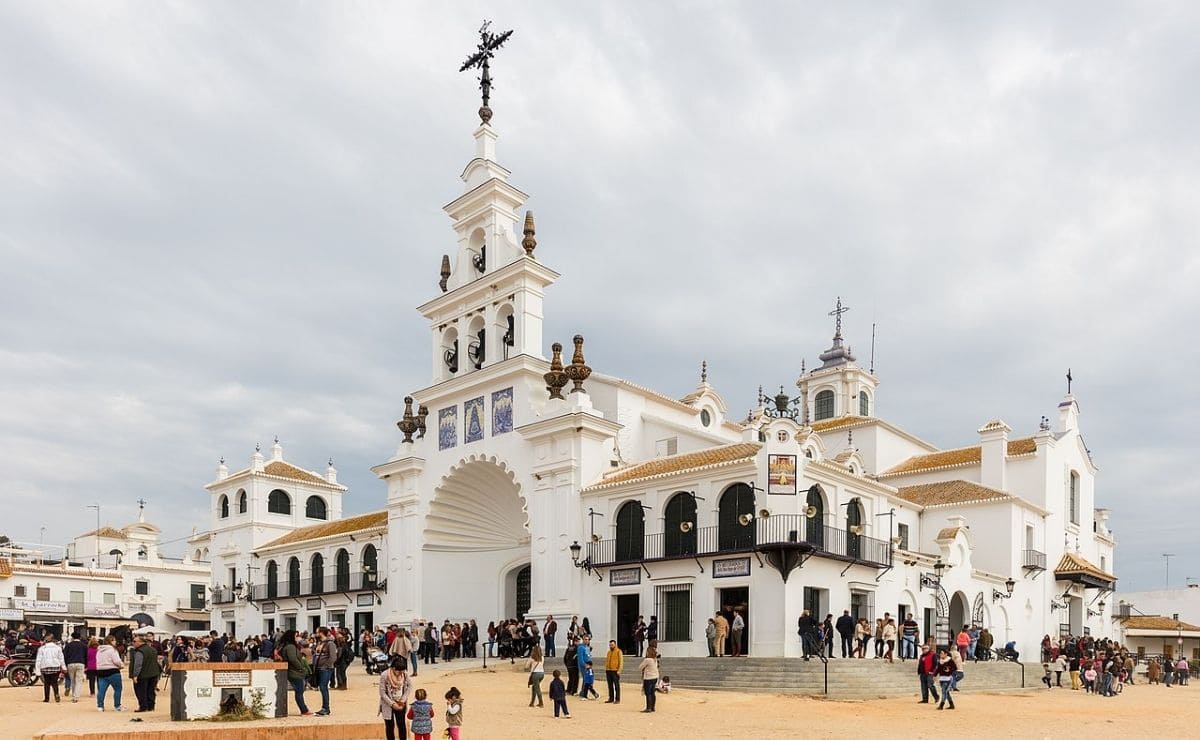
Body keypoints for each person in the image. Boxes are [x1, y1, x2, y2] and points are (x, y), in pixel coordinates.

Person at [279, 630, 312, 716]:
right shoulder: (290, 647)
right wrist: (301, 668)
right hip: (295, 672)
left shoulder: (287, 646)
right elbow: (293, 659)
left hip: (293, 671)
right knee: (299, 691)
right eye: (296, 636)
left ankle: (304, 709)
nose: (298, 638)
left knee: (299, 691)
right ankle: (304, 710)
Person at [380, 656, 413, 740]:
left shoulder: (404, 674)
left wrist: (403, 700)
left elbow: (409, 686)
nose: (400, 673)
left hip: (401, 702)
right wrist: (392, 704)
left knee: (401, 724)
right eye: (399, 671)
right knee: (389, 725)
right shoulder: (385, 675)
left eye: (402, 671)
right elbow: (382, 693)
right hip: (388, 704)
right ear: (394, 668)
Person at [129, 635, 161, 712]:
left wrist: (135, 675)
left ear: (141, 642)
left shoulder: (140, 651)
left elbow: (138, 664)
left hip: (143, 674)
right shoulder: (153, 649)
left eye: (134, 641)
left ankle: (143, 707)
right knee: (150, 691)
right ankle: (151, 706)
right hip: (153, 673)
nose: (133, 643)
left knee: (141, 691)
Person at [95, 635, 125, 712]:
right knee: (118, 689)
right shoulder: (112, 650)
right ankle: (117, 706)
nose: (115, 642)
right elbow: (116, 661)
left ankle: (100, 706)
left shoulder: (99, 650)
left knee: (101, 690)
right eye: (114, 640)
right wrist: (121, 665)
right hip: (112, 671)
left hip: (101, 671)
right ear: (110, 641)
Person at [35, 633, 66, 703]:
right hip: (55, 667)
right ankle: (56, 694)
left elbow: (38, 660)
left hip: (45, 667)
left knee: (47, 683)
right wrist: (64, 667)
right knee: (54, 682)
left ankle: (46, 698)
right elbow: (61, 659)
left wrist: (38, 671)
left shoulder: (41, 649)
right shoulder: (58, 648)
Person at [314, 626, 337, 716]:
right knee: (321, 687)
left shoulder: (330, 643)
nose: (316, 634)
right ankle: (324, 707)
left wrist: (326, 665)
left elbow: (333, 657)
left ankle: (326, 708)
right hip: (319, 667)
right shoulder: (319, 642)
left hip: (326, 668)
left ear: (321, 633)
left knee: (323, 687)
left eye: (317, 632)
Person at [63, 631, 87, 704]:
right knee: (78, 681)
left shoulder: (68, 645)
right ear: (79, 637)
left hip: (70, 663)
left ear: (72, 637)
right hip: (80, 663)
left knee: (72, 680)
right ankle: (76, 697)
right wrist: (86, 665)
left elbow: (65, 656)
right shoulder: (84, 645)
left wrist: (65, 665)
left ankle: (73, 695)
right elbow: (86, 656)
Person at [639, 645, 660, 713]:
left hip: (648, 678)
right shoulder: (655, 659)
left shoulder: (647, 660)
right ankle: (653, 707)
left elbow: (640, 667)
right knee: (652, 693)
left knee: (648, 693)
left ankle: (648, 708)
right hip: (655, 677)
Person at [605, 639, 623, 704]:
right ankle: (611, 698)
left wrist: (619, 670)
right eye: (610, 645)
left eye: (612, 645)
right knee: (610, 685)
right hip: (608, 670)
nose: (611, 646)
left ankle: (617, 699)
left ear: (615, 644)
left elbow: (621, 662)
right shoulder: (609, 652)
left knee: (616, 686)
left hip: (615, 671)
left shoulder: (619, 651)